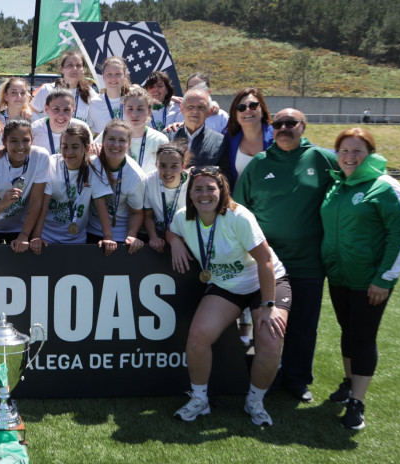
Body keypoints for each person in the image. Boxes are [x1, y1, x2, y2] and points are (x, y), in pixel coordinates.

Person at [167, 167, 290, 427]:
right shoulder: (183, 217)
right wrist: (175, 241)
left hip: (265, 283)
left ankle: (255, 401)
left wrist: (268, 305)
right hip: (226, 286)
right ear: (189, 193)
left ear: (222, 191)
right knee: (198, 338)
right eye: (197, 189)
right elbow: (172, 231)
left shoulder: (238, 217)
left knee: (269, 340)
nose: (204, 194)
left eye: (210, 188)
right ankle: (199, 401)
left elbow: (265, 260)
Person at [233, 108, 338, 403]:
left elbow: (351, 183)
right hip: (266, 263)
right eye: (278, 124)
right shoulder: (259, 164)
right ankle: (269, 375)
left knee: (303, 325)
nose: (284, 128)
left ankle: (298, 379)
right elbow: (239, 208)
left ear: (303, 126)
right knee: (265, 323)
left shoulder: (322, 159)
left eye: (291, 123)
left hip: (307, 262)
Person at [320, 127, 400, 429]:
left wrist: (384, 278)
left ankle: (358, 402)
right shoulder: (338, 185)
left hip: (370, 281)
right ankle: (348, 383)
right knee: (348, 331)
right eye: (344, 151)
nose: (349, 157)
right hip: (340, 277)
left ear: (370, 153)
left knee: (363, 336)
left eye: (357, 151)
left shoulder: (384, 186)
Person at [30, 123, 115, 253]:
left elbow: (100, 204)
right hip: (47, 239)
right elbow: (44, 203)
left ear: (86, 148)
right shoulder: (51, 164)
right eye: (65, 146)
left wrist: (108, 237)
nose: (69, 152)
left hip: (77, 240)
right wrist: (36, 237)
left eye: (75, 147)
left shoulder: (95, 166)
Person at [0, 119, 49, 250]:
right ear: (4, 142)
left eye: (25, 140)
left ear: (32, 140)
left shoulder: (41, 157)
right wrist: (2, 204)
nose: (20, 146)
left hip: (20, 229)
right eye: (14, 141)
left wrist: (24, 235)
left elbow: (36, 201)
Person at [90, 119, 146, 251]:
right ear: (103, 141)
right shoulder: (92, 163)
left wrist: (131, 235)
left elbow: (137, 213)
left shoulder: (135, 176)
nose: (116, 145)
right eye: (111, 139)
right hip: (89, 230)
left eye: (122, 141)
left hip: (120, 237)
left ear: (129, 144)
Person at [97, 85, 168, 175]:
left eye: (140, 109)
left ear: (149, 111)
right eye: (130, 109)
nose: (134, 114)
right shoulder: (111, 133)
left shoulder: (160, 140)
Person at [218, 87, 274, 188]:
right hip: (239, 202)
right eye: (241, 107)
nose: (247, 110)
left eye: (253, 106)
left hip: (271, 201)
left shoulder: (277, 136)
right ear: (235, 114)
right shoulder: (229, 138)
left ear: (262, 109)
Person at [143, 140, 190, 253]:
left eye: (174, 166)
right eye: (162, 166)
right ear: (156, 165)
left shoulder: (193, 183)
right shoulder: (148, 181)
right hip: (159, 237)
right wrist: (153, 237)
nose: (168, 172)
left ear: (183, 166)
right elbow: (147, 216)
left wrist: (180, 240)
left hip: (186, 237)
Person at [31, 49, 96, 125]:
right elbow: (30, 112)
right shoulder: (47, 89)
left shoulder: (90, 93)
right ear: (61, 69)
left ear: (83, 70)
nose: (74, 69)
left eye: (78, 65)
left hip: (77, 135)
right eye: (70, 65)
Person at [171, 85, 223, 166]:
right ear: (182, 109)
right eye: (190, 107)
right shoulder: (167, 137)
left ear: (209, 111)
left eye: (201, 107)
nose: (195, 111)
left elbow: (226, 173)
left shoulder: (220, 142)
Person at [87, 56, 130, 133]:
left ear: (125, 75)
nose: (113, 78)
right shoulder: (93, 103)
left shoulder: (132, 102)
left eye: (118, 74)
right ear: (103, 76)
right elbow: (86, 132)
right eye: (109, 74)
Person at [31, 88, 80, 155]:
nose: (61, 115)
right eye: (56, 109)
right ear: (46, 109)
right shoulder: (34, 129)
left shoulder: (81, 129)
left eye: (66, 109)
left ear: (73, 110)